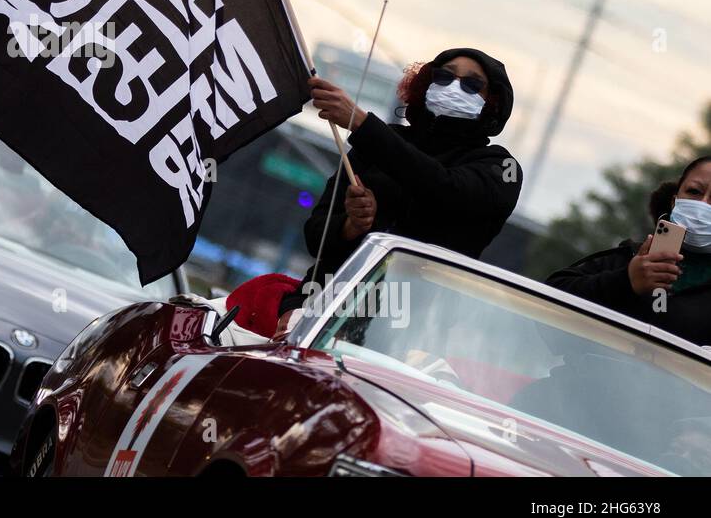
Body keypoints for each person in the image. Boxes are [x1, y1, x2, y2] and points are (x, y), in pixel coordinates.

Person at [275, 47, 521, 326]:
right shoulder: (379, 143)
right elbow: (315, 236)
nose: (454, 87)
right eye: (444, 76)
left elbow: (445, 189)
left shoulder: (500, 168)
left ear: (494, 102)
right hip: (318, 308)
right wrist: (352, 225)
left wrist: (362, 124)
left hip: (404, 333)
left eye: (472, 84)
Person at [547, 156, 711, 346]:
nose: (703, 205)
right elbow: (546, 301)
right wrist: (625, 281)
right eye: (694, 191)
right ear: (674, 202)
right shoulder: (630, 257)